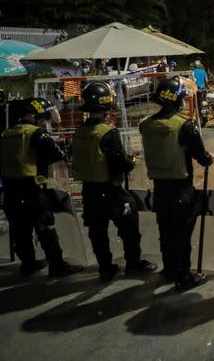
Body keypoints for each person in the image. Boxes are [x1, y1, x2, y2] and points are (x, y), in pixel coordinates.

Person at [72, 82, 156, 280]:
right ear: (107, 105)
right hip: (111, 190)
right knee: (129, 227)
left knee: (97, 232)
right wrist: (131, 161)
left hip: (89, 190)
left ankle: (105, 267)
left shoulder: (79, 132)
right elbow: (118, 161)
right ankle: (133, 264)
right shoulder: (108, 132)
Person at [140, 76, 214, 291]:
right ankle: (184, 277)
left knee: (166, 231)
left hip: (159, 189)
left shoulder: (146, 125)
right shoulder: (184, 126)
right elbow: (201, 156)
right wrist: (209, 159)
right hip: (181, 188)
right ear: (177, 100)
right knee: (182, 235)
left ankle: (170, 269)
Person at [0, 98, 83, 277]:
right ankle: (57, 265)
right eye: (43, 117)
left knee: (21, 232)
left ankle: (28, 264)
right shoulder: (37, 134)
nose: (44, 121)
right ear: (34, 115)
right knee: (46, 230)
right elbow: (57, 156)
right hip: (33, 191)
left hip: (10, 192)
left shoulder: (6, 134)